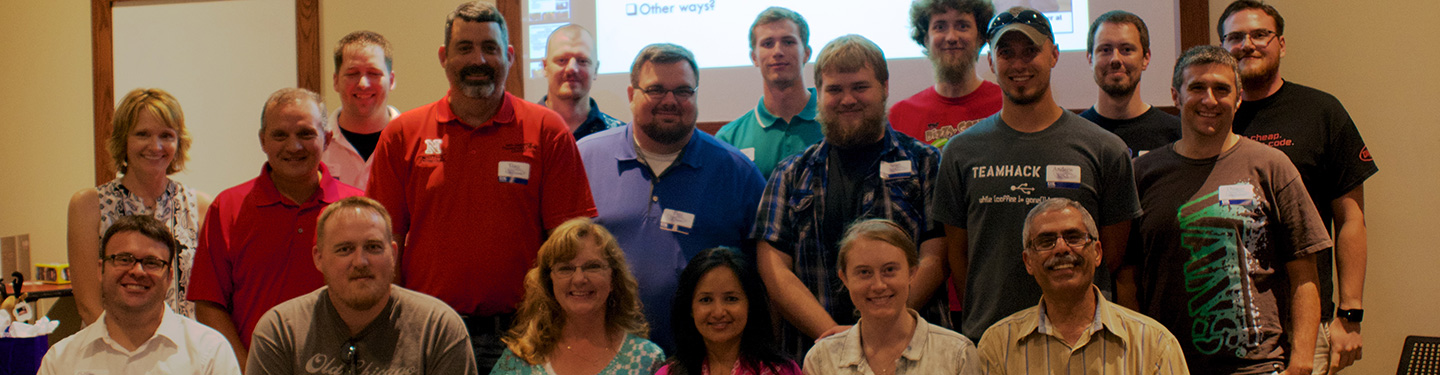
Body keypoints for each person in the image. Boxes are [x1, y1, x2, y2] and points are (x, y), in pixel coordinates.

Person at [365, 2, 597, 371]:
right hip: (428, 331)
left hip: (524, 332)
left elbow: (569, 243)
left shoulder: (547, 130)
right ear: (444, 57)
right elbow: (383, 241)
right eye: (465, 48)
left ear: (508, 55)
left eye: (489, 48)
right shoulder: (402, 134)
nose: (479, 59)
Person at [932, 6, 1141, 343]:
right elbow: (960, 256)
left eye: (1031, 51)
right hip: (992, 344)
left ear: (1054, 54)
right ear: (990, 62)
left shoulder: (1104, 149)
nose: (1018, 64)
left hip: (1083, 342)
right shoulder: (960, 152)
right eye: (1006, 53)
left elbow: (1111, 257)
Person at [1126, 45, 1328, 374]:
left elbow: (1305, 274)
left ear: (1237, 99)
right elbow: (1127, 278)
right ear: (1176, 96)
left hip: (1257, 366)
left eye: (1222, 89)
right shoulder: (1143, 173)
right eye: (1197, 88)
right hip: (1169, 365)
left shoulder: (1271, 166)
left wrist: (1302, 362)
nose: (1210, 99)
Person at [753, 34, 950, 359]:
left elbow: (936, 257)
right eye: (834, 89)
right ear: (819, 95)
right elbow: (772, 267)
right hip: (818, 352)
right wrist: (833, 337)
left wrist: (877, 326)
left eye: (860, 87)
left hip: (914, 353)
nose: (847, 99)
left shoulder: (925, 163)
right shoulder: (790, 174)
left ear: (884, 88)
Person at [1218, 2, 1378, 372]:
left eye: (1260, 34)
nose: (1248, 45)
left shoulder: (1321, 112)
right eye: (1235, 37)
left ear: (1282, 44)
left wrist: (1350, 314)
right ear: (1222, 47)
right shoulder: (1210, 116)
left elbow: (1351, 219)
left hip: (1304, 318)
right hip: (1223, 318)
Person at [577, 43, 765, 351]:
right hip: (601, 355)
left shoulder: (737, 172)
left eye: (683, 91)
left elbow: (761, 278)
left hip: (701, 358)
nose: (670, 101)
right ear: (630, 94)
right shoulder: (585, 158)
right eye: (655, 90)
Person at [188, 88, 365, 368]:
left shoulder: (359, 209)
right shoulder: (228, 208)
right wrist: (248, 369)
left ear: (327, 138)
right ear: (262, 140)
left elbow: (376, 296)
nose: (293, 146)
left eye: (306, 134)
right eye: (280, 135)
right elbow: (209, 305)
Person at [246, 196, 477, 375]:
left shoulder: (437, 328)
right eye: (344, 249)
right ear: (319, 258)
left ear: (394, 254)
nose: (360, 262)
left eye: (373, 247)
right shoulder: (280, 331)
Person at [979, 198, 1188, 374]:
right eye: (1046, 241)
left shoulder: (1154, 343)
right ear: (1028, 262)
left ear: (1097, 252)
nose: (1061, 248)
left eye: (1074, 237)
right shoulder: (998, 345)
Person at [67, 88, 211, 324]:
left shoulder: (201, 207)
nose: (155, 146)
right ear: (123, 140)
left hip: (183, 353)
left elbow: (208, 301)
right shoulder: (87, 206)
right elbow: (88, 305)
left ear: (179, 142)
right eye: (142, 134)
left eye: (166, 136)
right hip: (110, 351)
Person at [40, 215, 240, 375]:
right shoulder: (60, 361)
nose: (137, 271)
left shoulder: (209, 352)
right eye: (124, 259)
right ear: (101, 270)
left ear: (169, 276)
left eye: (152, 262)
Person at [803, 219, 979, 375]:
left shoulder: (957, 354)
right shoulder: (821, 359)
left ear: (912, 273)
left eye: (889, 270)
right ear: (845, 279)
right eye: (864, 272)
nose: (879, 285)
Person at [491, 218, 664, 374]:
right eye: (566, 268)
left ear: (613, 278)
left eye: (593, 266)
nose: (579, 279)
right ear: (549, 282)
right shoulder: (520, 359)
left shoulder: (646, 360)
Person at [714, 7, 824, 177]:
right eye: (767, 44)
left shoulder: (835, 125)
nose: (778, 52)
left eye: (788, 42)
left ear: (806, 53)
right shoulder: (729, 139)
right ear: (754, 57)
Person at [657, 247, 800, 375]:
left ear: (750, 304)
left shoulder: (781, 371)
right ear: (690, 308)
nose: (718, 312)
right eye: (706, 300)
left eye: (731, 299)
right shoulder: (670, 373)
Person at [890, 0, 1001, 148]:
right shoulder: (900, 117)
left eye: (962, 26)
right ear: (925, 39)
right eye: (940, 27)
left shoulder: (1006, 105)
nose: (951, 38)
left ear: (980, 37)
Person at [1079, 10, 1181, 157]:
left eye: (1126, 50)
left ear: (1146, 58)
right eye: (1105, 50)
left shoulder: (1176, 135)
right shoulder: (1074, 134)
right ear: (1090, 59)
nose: (1115, 59)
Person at [323, 30, 400, 190]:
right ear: (336, 81)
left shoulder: (411, 143)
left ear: (391, 80)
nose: (363, 84)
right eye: (352, 74)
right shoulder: (317, 145)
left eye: (373, 73)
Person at [538, 24, 624, 141]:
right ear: (545, 66)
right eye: (562, 60)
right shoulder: (522, 128)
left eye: (583, 61)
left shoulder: (619, 136)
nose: (572, 68)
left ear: (595, 70)